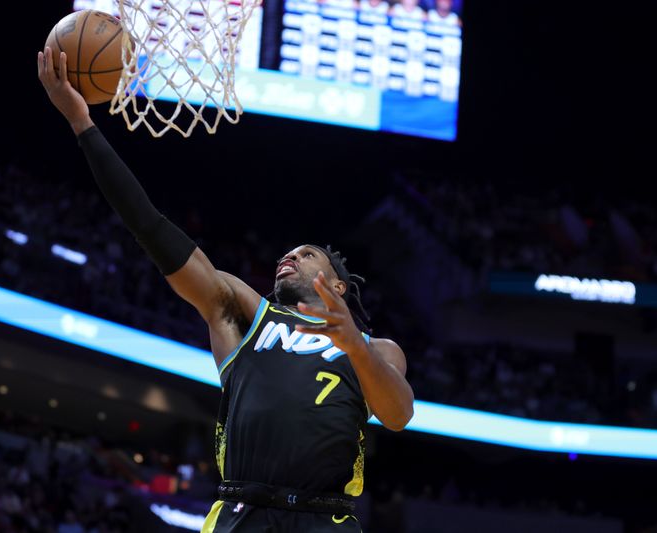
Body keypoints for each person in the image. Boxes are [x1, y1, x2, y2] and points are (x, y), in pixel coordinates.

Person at [37, 46, 414, 533]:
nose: (290, 256)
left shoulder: (376, 348)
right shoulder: (245, 312)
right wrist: (81, 124)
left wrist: (355, 350)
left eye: (306, 253)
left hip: (326, 520)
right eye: (288, 252)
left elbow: (399, 414)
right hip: (242, 513)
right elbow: (150, 227)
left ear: (337, 283)